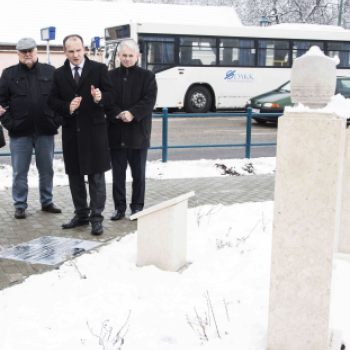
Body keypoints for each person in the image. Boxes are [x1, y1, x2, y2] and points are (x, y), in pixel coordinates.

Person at [48, 34, 115, 235]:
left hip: (94, 132)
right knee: (75, 177)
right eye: (71, 51)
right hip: (71, 133)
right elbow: (51, 101)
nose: (75, 55)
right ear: (64, 52)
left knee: (96, 177)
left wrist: (100, 97)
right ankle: (81, 214)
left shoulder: (99, 69)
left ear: (84, 49)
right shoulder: (59, 74)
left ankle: (96, 218)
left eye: (78, 50)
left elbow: (112, 96)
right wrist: (67, 106)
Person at [0, 38, 62, 219]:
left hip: (45, 131)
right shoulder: (8, 74)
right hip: (20, 132)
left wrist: (55, 121)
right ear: (17, 53)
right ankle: (20, 205)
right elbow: (1, 102)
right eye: (23, 51)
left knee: (47, 169)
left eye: (30, 50)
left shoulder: (50, 72)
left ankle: (47, 202)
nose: (27, 54)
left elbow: (60, 98)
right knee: (20, 171)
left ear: (36, 51)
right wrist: (10, 123)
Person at [106, 39, 157, 221]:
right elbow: (107, 102)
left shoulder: (147, 76)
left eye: (130, 55)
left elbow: (149, 100)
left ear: (138, 56)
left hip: (138, 134)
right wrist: (119, 113)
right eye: (124, 55)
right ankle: (119, 208)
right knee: (118, 175)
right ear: (118, 56)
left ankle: (137, 207)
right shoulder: (110, 77)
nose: (127, 59)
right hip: (116, 133)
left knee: (138, 176)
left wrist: (133, 113)